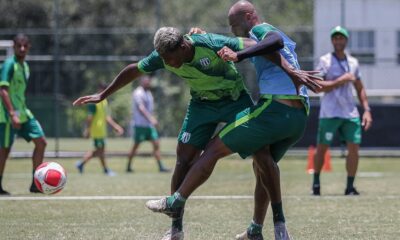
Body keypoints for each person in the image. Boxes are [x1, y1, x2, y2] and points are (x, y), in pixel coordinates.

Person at [73, 25, 318, 240]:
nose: (168, 64)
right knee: (183, 159)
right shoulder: (163, 56)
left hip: (235, 100)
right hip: (201, 105)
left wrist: (288, 69)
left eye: (171, 58)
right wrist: (103, 95)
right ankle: (176, 230)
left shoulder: (210, 43)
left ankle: (278, 225)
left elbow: (259, 45)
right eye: (165, 60)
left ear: (183, 45)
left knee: (263, 157)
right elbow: (134, 69)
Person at [145, 1, 323, 239]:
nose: (232, 30)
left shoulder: (260, 29)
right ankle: (264, 229)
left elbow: (273, 42)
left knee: (212, 149)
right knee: (263, 164)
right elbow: (275, 50)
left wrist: (238, 55)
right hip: (299, 115)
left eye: (234, 24)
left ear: (250, 17)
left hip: (275, 109)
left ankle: (176, 201)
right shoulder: (271, 37)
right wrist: (291, 72)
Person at [311, 26, 372, 196]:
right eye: (335, 38)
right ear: (332, 41)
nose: (338, 41)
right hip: (330, 112)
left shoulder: (353, 62)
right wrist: (340, 80)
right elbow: (317, 87)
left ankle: (350, 187)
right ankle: (316, 183)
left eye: (341, 38)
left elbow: (360, 88)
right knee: (322, 148)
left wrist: (366, 109)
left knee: (354, 148)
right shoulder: (325, 61)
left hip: (350, 112)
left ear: (346, 40)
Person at [0, 34, 47, 195]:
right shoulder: (8, 65)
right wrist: (12, 113)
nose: (22, 48)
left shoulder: (25, 66)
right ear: (13, 47)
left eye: (25, 46)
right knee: (4, 150)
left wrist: (19, 112)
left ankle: (35, 183)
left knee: (41, 142)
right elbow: (3, 90)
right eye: (19, 46)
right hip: (7, 115)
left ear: (29, 47)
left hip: (24, 113)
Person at [75, 83, 124, 176]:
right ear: (100, 89)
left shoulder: (104, 100)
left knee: (100, 151)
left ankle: (84, 165)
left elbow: (106, 117)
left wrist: (116, 127)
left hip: (101, 130)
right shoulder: (94, 100)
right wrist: (88, 130)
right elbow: (90, 117)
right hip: (96, 130)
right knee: (100, 151)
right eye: (104, 89)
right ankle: (83, 164)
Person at [126, 75, 169, 173]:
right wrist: (151, 119)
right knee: (135, 147)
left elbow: (149, 109)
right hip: (140, 125)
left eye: (148, 82)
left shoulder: (148, 93)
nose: (148, 83)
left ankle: (161, 167)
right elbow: (141, 109)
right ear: (141, 82)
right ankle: (128, 166)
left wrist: (152, 119)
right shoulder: (138, 93)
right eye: (146, 82)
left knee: (156, 144)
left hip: (149, 126)